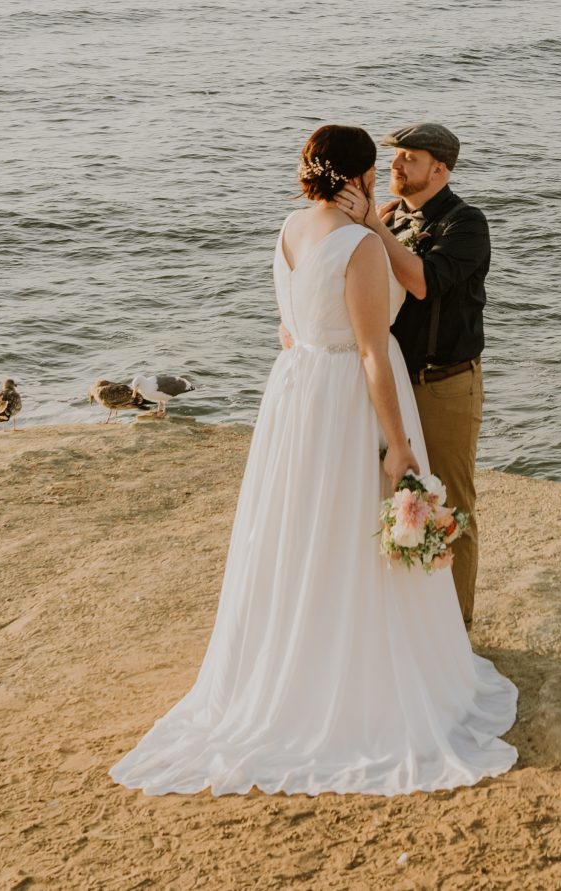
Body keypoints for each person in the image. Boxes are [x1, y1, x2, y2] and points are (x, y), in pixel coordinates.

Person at [109, 125, 516, 796]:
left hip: (301, 396)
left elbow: (307, 314)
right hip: (356, 392)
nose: (393, 168)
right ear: (356, 175)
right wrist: (399, 441)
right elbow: (365, 348)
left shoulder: (294, 228)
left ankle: (328, 649)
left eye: (408, 158)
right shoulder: (362, 236)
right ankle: (383, 663)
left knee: (311, 524)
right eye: (383, 161)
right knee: (359, 516)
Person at [341, 121, 489, 628]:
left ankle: (458, 628)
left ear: (440, 169)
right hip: (395, 384)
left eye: (410, 157)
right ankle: (409, 629)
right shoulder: (388, 216)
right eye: (396, 156)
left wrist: (374, 228)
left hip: (445, 384)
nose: (397, 166)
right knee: (393, 500)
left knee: (450, 504)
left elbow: (424, 283)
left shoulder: (466, 224)